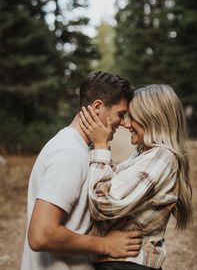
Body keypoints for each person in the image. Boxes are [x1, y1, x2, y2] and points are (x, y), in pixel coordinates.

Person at [21, 71, 142, 270]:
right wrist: (105, 245)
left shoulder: (79, 147)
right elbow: (41, 235)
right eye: (120, 114)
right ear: (97, 107)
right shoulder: (69, 152)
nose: (122, 123)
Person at [79, 84, 193, 270]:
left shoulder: (162, 157)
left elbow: (103, 204)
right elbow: (115, 184)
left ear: (152, 118)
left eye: (132, 117)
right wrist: (102, 147)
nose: (125, 124)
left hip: (127, 263)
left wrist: (100, 147)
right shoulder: (143, 155)